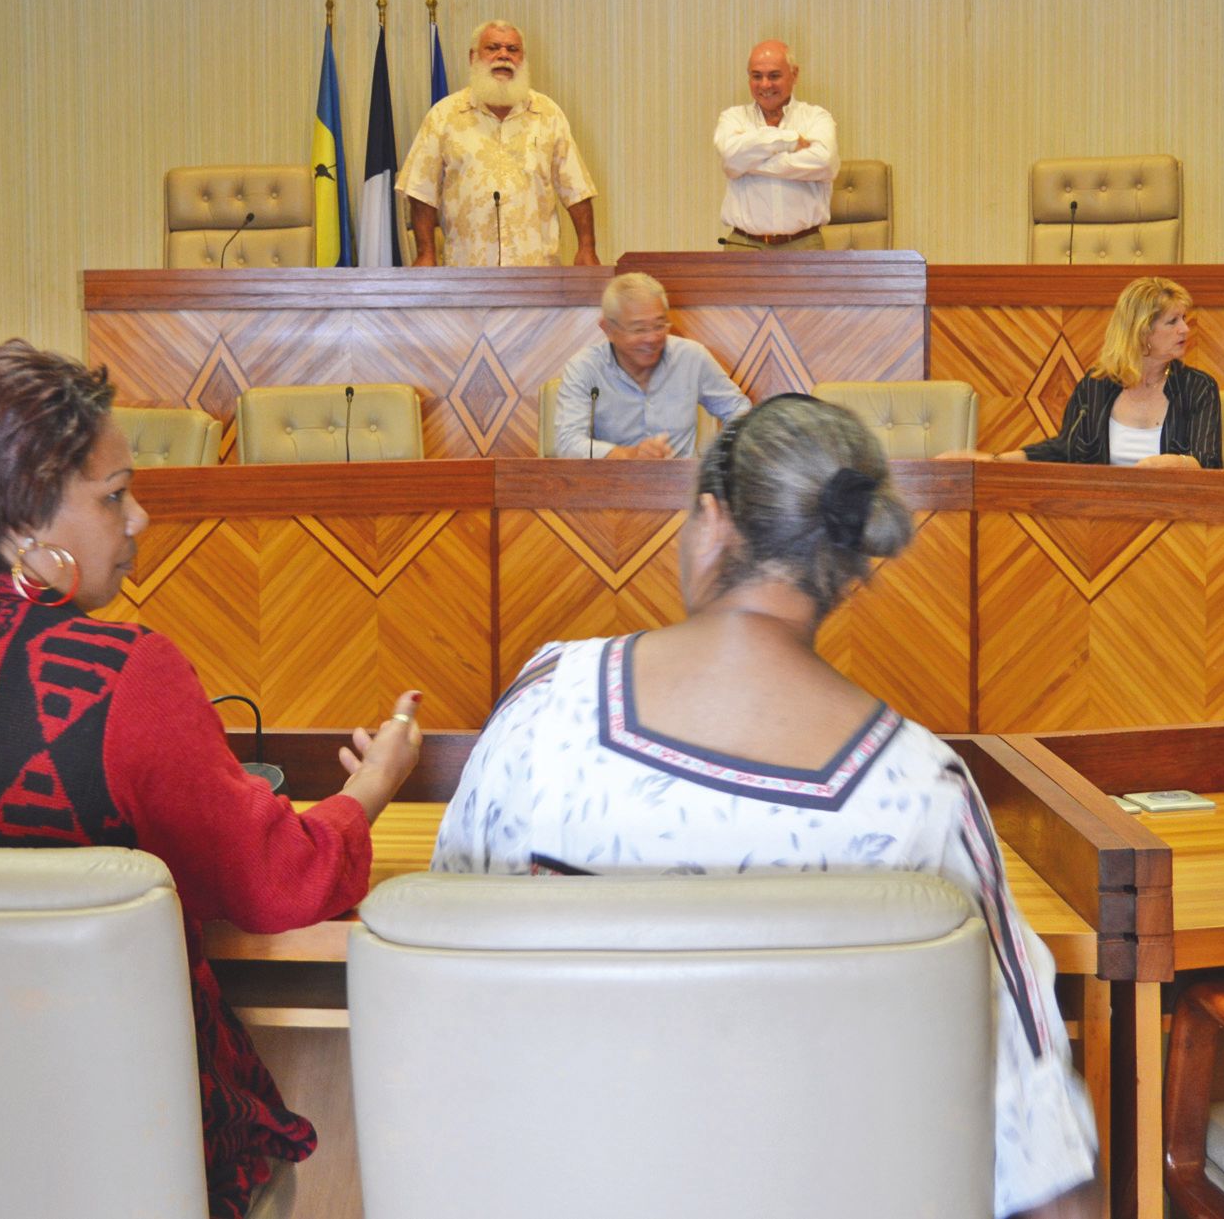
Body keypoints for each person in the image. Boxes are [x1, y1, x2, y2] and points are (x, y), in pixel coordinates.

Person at [0, 343, 421, 1219]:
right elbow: (276, 881)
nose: (141, 520)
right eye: (115, 494)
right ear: (21, 524)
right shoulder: (120, 672)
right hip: (108, 1125)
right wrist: (369, 790)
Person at [434, 394, 1099, 1219]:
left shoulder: (544, 704)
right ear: (849, 566)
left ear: (713, 521)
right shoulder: (920, 792)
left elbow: (445, 977)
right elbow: (1034, 1137)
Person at [947, 275, 1222, 468]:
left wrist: (1178, 463)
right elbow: (1065, 448)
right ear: (1141, 331)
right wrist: (996, 460)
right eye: (1172, 321)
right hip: (1098, 519)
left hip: (1177, 524)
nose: (1185, 329)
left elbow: (1208, 461)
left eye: (1184, 319)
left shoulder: (1197, 388)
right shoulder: (1096, 386)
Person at [399, 20, 598, 267]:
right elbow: (421, 190)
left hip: (536, 274)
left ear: (523, 59)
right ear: (473, 57)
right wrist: (425, 253)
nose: (503, 55)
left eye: (512, 50)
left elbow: (577, 190)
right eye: (492, 48)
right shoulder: (443, 116)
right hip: (466, 274)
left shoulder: (548, 114)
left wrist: (587, 248)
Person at [553, 271, 751, 459]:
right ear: (608, 328)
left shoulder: (691, 357)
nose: (652, 338)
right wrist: (629, 455)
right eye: (639, 329)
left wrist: (718, 459)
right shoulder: (585, 368)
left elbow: (739, 410)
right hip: (611, 485)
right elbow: (567, 443)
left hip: (680, 485)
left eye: (659, 325)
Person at [713, 39, 838, 250]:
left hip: (804, 245)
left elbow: (824, 163)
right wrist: (787, 140)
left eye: (774, 76)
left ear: (794, 74)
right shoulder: (733, 118)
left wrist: (749, 164)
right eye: (756, 76)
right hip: (744, 246)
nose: (765, 85)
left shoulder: (817, 118)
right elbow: (730, 158)